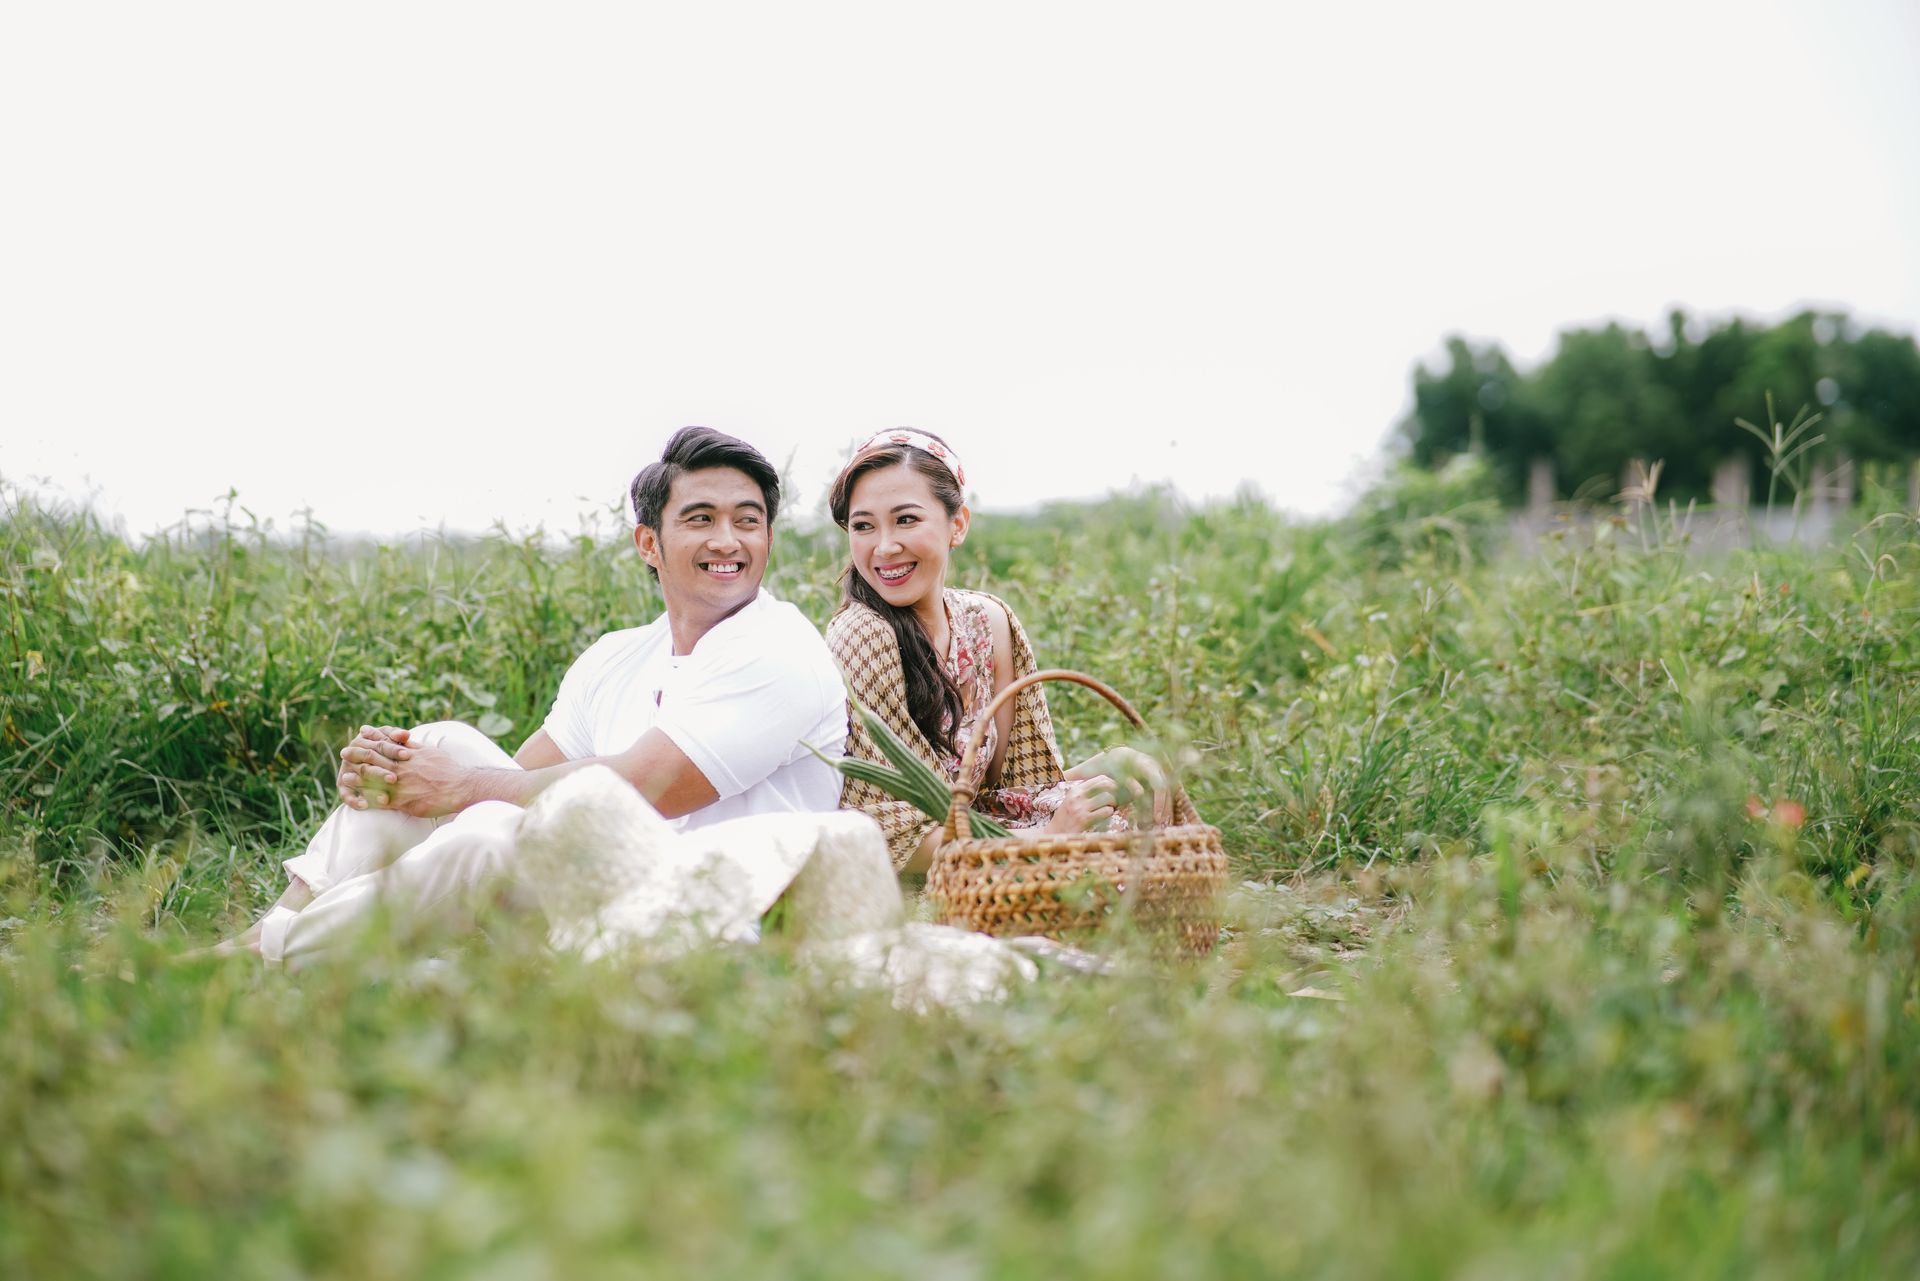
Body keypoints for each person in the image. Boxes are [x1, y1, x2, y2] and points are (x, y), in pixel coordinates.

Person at [224, 427, 849, 965]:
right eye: (701, 519)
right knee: (435, 744)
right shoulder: (619, 654)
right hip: (598, 893)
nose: (728, 541)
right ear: (648, 544)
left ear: (768, 539)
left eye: (748, 521)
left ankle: (267, 957)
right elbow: (522, 776)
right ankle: (269, 930)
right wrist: (407, 776)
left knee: (491, 825)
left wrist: (460, 788)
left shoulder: (780, 650)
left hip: (708, 931)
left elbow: (647, 787)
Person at [825, 429, 1156, 872]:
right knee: (1106, 854)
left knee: (1133, 808)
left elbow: (1010, 793)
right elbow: (886, 837)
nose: (884, 547)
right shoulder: (862, 636)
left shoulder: (986, 622)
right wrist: (1046, 840)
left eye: (906, 520)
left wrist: (1106, 769)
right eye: (863, 526)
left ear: (958, 524)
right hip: (916, 876)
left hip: (980, 844)